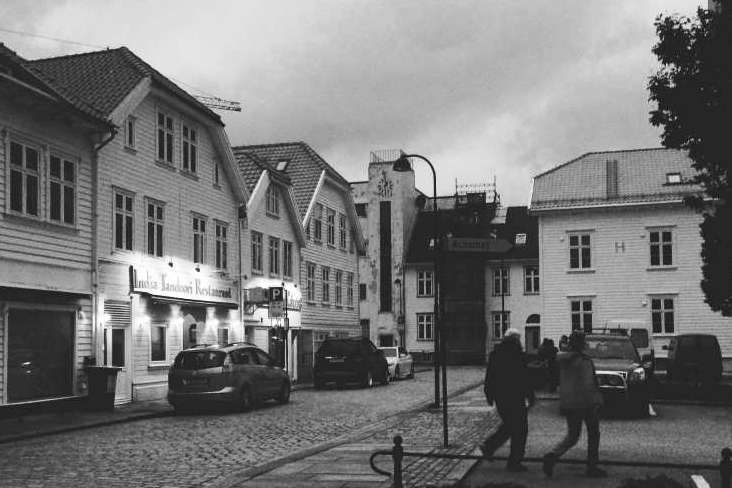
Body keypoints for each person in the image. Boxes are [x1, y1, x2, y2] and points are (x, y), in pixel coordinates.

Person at [542, 330, 606, 478]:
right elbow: (588, 384)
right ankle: (592, 466)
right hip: (586, 403)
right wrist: (597, 401)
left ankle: (552, 455)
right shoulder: (584, 361)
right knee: (593, 434)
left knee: (572, 436)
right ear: (582, 344)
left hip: (569, 403)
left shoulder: (563, 359)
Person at [480, 328, 535, 472]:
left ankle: (490, 447)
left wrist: (489, 394)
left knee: (510, 426)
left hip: (501, 396)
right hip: (516, 396)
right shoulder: (518, 354)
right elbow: (524, 377)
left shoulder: (495, 354)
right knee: (520, 429)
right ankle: (513, 461)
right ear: (515, 339)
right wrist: (530, 396)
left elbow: (490, 376)